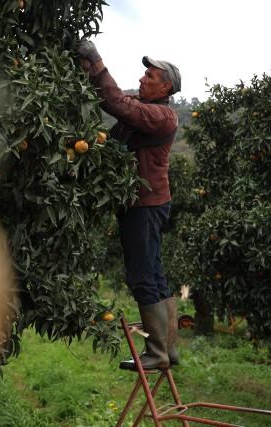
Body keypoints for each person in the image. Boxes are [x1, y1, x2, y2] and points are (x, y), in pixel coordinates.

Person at [77, 40, 181, 370]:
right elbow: (113, 102)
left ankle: (157, 353)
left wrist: (97, 61)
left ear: (165, 86)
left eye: (149, 75)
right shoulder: (147, 110)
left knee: (141, 277)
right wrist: (86, 73)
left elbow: (118, 104)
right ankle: (169, 350)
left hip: (145, 205)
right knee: (153, 274)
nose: (142, 79)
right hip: (144, 204)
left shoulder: (162, 116)